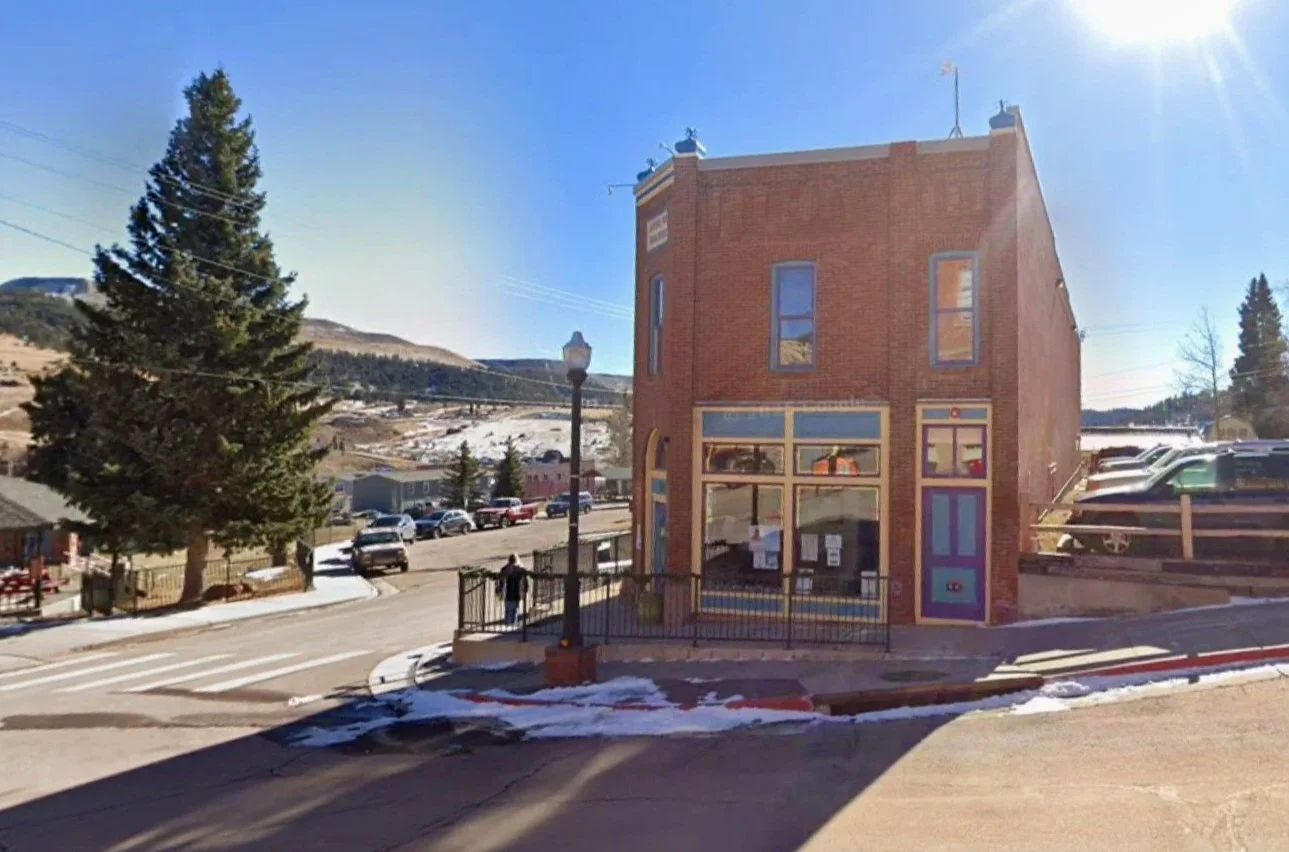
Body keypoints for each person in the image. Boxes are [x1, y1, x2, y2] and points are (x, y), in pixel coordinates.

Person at [496, 553, 528, 626]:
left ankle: (508, 624)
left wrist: (499, 591)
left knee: (508, 609)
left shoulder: (504, 569)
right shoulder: (521, 570)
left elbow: (500, 581)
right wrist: (525, 591)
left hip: (507, 592)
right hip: (516, 592)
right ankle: (512, 624)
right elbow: (525, 582)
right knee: (514, 609)